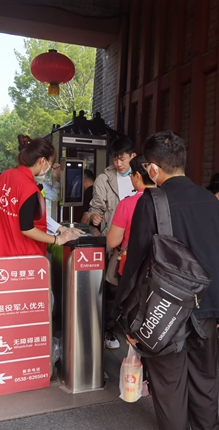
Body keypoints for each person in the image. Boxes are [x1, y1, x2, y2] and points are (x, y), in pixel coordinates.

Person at [115, 131, 219, 430]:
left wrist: (126, 318)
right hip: (207, 307)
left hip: (163, 311)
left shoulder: (151, 202)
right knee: (205, 383)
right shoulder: (212, 202)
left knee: (169, 388)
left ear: (153, 168)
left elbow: (136, 264)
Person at [0, 138, 82, 258]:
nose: (49, 168)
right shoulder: (29, 188)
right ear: (42, 160)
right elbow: (27, 228)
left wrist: (60, 228)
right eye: (50, 163)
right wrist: (57, 239)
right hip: (23, 256)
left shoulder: (5, 175)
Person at [89, 136, 136, 349]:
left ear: (133, 156)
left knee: (134, 288)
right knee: (112, 288)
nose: (118, 163)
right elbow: (96, 206)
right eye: (115, 159)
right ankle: (109, 328)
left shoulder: (142, 175)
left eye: (122, 159)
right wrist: (94, 216)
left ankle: (132, 328)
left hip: (136, 241)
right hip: (114, 242)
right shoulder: (104, 178)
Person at [106, 155, 155, 259]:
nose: (131, 177)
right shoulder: (165, 200)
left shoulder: (126, 204)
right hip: (158, 262)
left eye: (131, 174)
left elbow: (112, 241)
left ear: (137, 176)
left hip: (132, 261)